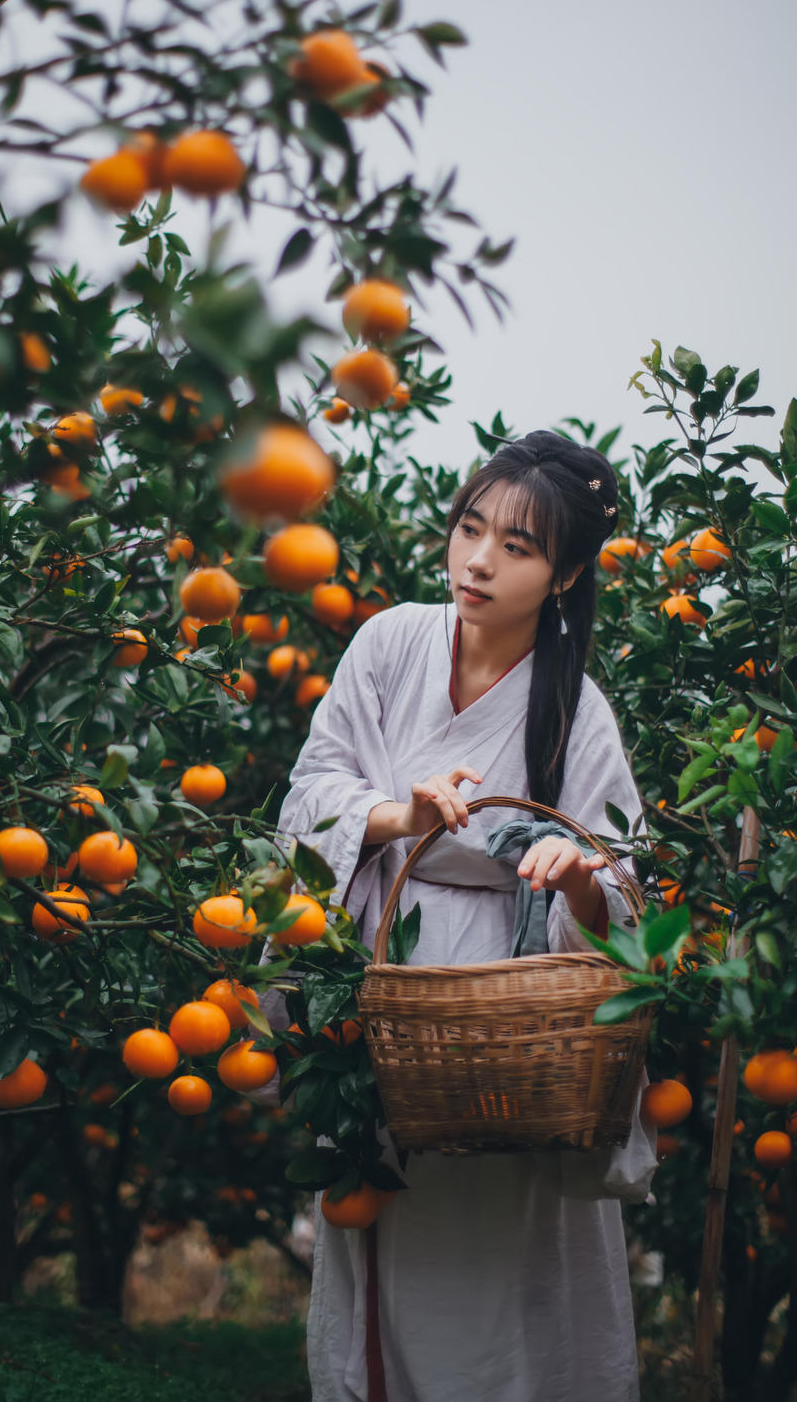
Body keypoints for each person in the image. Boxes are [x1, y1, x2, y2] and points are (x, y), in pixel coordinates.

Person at [275, 430, 658, 1402]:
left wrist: (575, 878)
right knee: (386, 1229)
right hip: (386, 998)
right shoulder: (390, 642)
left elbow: (624, 887)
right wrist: (397, 813)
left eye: (517, 546)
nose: (478, 560)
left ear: (565, 573)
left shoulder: (578, 713)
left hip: (505, 1028)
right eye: (469, 527)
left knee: (501, 1270)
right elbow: (312, 784)